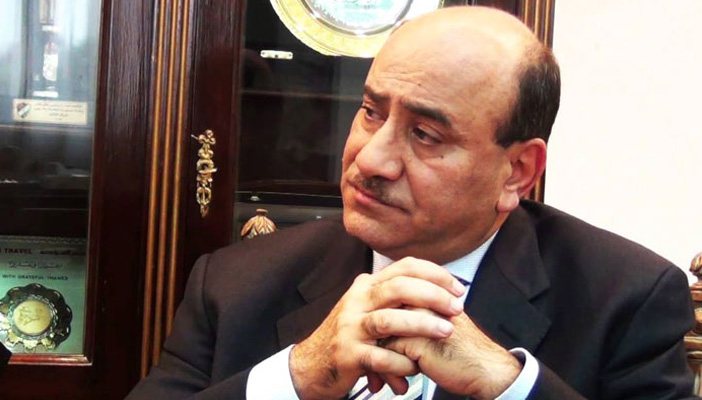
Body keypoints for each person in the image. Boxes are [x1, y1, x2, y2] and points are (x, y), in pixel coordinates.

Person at [127, 6, 697, 400]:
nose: (371, 158)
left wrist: (510, 385)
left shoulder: (626, 298)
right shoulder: (235, 283)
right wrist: (297, 377)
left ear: (517, 172)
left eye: (426, 135)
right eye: (371, 112)